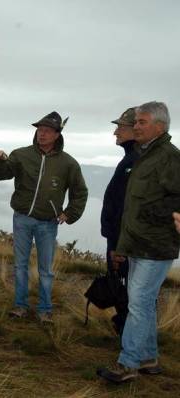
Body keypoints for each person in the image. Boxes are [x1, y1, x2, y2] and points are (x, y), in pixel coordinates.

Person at [97, 101, 180, 384]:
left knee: (139, 302)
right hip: (137, 244)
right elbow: (130, 208)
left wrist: (157, 212)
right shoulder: (143, 156)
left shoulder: (169, 157)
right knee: (142, 303)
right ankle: (148, 358)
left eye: (141, 122)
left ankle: (128, 363)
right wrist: (122, 245)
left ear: (159, 126)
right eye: (135, 123)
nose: (136, 127)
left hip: (156, 245)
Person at [0, 111, 87, 323]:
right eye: (39, 130)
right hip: (22, 218)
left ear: (56, 135)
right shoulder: (21, 154)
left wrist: (69, 213)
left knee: (45, 270)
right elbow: (3, 174)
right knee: (20, 265)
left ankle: (45, 310)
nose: (41, 134)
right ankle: (20, 306)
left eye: (47, 131)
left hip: (48, 222)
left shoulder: (68, 163)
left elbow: (80, 192)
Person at [100, 107, 139, 335]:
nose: (116, 132)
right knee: (122, 287)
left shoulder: (136, 161)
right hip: (119, 238)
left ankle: (129, 337)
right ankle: (128, 333)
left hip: (123, 242)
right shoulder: (129, 158)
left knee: (125, 288)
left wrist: (118, 245)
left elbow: (127, 208)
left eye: (121, 127)